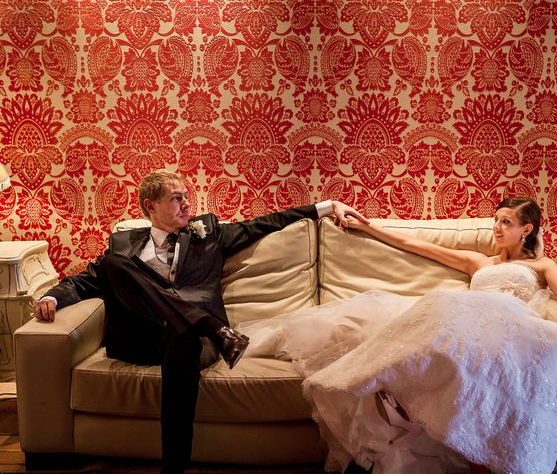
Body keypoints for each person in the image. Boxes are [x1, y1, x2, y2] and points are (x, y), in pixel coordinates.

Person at [238, 197, 557, 474]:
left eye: (506, 221)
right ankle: (396, 398)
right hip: (469, 313)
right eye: (496, 219)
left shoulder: (543, 265)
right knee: (432, 314)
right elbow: (414, 244)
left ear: (527, 229)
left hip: (510, 322)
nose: (496, 227)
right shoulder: (479, 261)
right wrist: (367, 226)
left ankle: (484, 449)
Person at [31, 169, 368, 474]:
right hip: (146, 339)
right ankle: (210, 325)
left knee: (183, 337)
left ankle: (173, 470)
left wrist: (327, 206)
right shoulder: (123, 246)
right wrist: (52, 297)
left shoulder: (209, 234)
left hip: (193, 344)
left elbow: (267, 222)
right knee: (113, 265)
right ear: (151, 206)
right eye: (176, 198)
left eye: (186, 197)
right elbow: (82, 280)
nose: (186, 204)